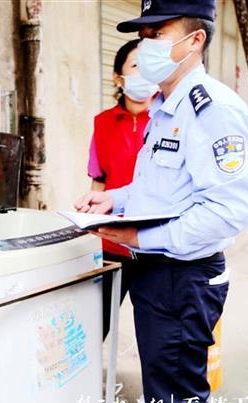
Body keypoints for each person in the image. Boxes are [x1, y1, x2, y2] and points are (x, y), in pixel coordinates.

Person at [75, 1, 248, 403]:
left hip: (183, 277)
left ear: (195, 40)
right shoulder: (166, 108)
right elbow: (161, 187)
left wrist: (140, 238)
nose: (146, 44)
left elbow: (227, 210)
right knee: (165, 398)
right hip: (158, 275)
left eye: (157, 33)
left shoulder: (213, 110)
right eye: (143, 35)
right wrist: (114, 200)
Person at [87, 38, 158, 339]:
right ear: (119, 77)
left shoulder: (165, 119)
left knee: (155, 330)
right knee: (96, 321)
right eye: (135, 67)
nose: (145, 75)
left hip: (154, 241)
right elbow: (98, 180)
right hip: (112, 243)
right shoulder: (103, 123)